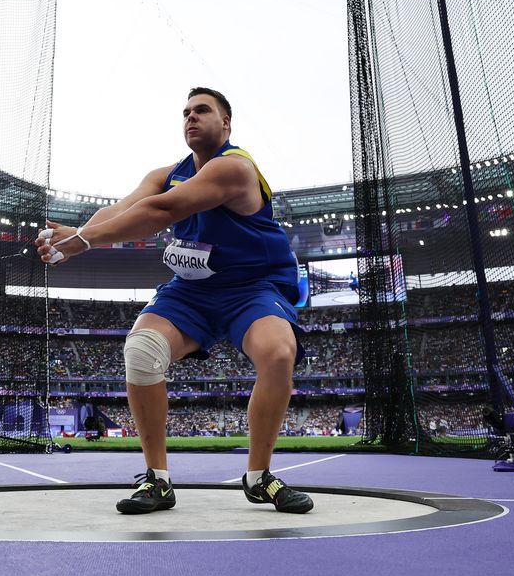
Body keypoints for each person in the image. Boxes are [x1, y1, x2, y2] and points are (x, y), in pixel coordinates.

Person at [37, 87, 313, 514]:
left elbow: (162, 212)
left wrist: (82, 241)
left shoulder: (236, 168)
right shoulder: (165, 172)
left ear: (226, 123)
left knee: (278, 354)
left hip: (253, 288)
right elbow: (125, 207)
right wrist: (74, 236)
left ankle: (259, 477)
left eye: (202, 110)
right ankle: (158, 481)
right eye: (185, 112)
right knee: (141, 351)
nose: (191, 117)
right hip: (193, 290)